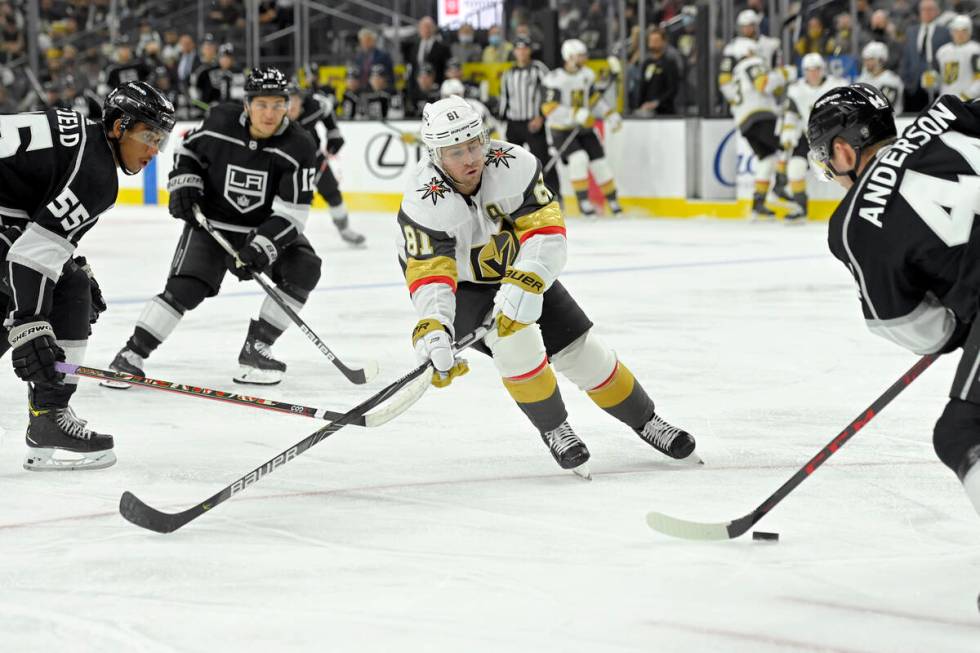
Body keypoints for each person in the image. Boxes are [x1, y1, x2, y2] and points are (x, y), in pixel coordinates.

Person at [396, 95, 698, 477]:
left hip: (522, 268)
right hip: (466, 289)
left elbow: (547, 232)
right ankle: (555, 428)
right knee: (515, 344)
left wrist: (530, 277)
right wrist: (435, 327)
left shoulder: (514, 164)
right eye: (457, 151)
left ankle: (646, 419)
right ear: (436, 154)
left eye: (475, 143)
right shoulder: (423, 199)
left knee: (583, 352)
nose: (471, 158)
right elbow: (429, 274)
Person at [807, 83, 980, 519]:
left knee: (963, 432)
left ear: (844, 152)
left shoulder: (852, 225)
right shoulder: (949, 113)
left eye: (827, 156)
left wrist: (961, 320)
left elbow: (919, 330)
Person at [105, 67, 320, 387]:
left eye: (278, 104)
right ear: (246, 104)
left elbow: (293, 212)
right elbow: (187, 149)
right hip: (211, 224)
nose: (270, 113)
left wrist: (261, 248)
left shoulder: (300, 145)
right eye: (262, 104)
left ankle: (257, 346)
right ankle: (130, 355)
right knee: (185, 288)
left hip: (259, 229)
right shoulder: (220, 120)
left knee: (305, 267)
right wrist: (184, 184)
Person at [0, 82, 175, 470]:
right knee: (41, 297)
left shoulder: (79, 139)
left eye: (159, 141)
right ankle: (48, 417)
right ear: (118, 126)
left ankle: (49, 416)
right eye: (147, 136)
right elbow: (30, 257)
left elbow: (31, 225)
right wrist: (28, 325)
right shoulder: (97, 173)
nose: (152, 151)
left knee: (67, 284)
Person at [542, 39, 624, 218]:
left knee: (600, 163)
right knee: (579, 159)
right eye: (580, 55)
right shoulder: (555, 79)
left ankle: (613, 201)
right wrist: (575, 114)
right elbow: (548, 108)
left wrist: (609, 114)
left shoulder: (587, 75)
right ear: (569, 57)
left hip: (584, 129)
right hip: (562, 130)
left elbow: (593, 100)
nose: (584, 58)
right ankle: (584, 202)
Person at [287, 77, 366, 246]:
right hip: (286, 164)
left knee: (332, 193)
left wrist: (333, 133)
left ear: (302, 99)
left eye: (295, 99)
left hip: (314, 158)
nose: (291, 105)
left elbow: (328, 108)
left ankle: (344, 230)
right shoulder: (273, 116)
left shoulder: (314, 106)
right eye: (287, 100)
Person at [718, 34, 786, 220]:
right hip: (760, 116)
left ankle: (758, 204)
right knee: (788, 145)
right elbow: (763, 85)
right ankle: (781, 184)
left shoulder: (736, 72)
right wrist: (783, 74)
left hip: (744, 122)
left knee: (767, 158)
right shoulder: (751, 63)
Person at [777, 53, 846, 223]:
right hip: (808, 137)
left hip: (834, 138)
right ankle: (800, 207)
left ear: (823, 70)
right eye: (809, 70)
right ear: (804, 72)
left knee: (847, 172)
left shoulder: (837, 86)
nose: (813, 74)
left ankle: (856, 205)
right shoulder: (796, 90)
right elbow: (791, 115)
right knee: (794, 168)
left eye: (816, 70)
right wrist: (788, 133)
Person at [498, 37, 559, 197]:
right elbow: (505, 99)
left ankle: (553, 195)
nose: (522, 52)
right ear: (514, 51)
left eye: (525, 48)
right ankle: (516, 198)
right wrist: (502, 121)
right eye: (518, 49)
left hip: (533, 122)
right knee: (510, 163)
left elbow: (551, 92)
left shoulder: (538, 69)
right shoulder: (508, 73)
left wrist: (541, 116)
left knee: (542, 160)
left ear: (530, 51)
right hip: (514, 123)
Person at [926, 15, 979, 101]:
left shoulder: (975, 50)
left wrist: (967, 95)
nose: (960, 34)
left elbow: (979, 79)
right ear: (951, 32)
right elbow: (941, 80)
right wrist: (931, 81)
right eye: (956, 31)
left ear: (970, 31)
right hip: (945, 101)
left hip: (967, 101)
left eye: (964, 31)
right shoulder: (942, 51)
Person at [857, 41, 904, 114]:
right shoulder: (863, 78)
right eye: (865, 59)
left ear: (880, 60)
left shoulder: (891, 80)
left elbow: (885, 109)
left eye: (870, 59)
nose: (866, 62)